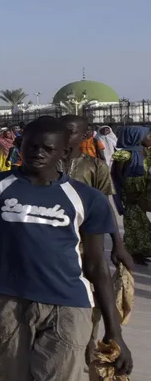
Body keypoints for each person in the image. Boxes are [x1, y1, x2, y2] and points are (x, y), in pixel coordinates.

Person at [0, 116, 132, 381]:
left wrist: (114, 332)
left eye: (48, 148)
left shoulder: (86, 198)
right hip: (12, 301)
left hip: (69, 305)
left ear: (64, 151)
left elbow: (97, 266)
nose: (38, 153)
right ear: (19, 145)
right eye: (31, 146)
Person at [60, 115, 133, 272]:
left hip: (87, 236)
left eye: (69, 132)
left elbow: (104, 205)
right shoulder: (46, 164)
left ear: (85, 135)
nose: (63, 137)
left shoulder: (97, 167)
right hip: (53, 236)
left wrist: (118, 244)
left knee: (91, 275)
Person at [111, 126, 151, 265]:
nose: (150, 139)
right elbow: (117, 176)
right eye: (148, 136)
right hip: (130, 196)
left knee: (141, 224)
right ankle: (134, 253)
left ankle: (140, 252)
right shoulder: (125, 155)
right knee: (136, 224)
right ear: (136, 137)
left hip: (143, 194)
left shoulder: (146, 152)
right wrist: (124, 194)